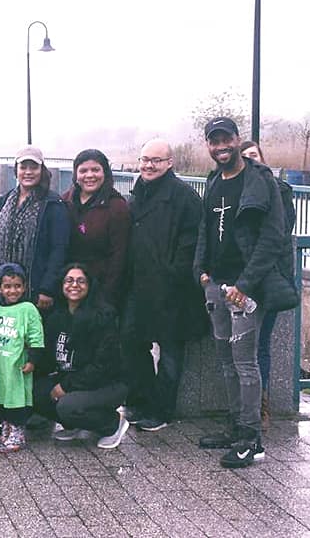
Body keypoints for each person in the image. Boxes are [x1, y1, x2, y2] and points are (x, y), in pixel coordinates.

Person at [194, 117, 297, 468]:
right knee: (226, 361)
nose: (221, 146)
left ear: (238, 140)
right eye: (214, 141)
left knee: (245, 362)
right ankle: (235, 426)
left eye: (226, 140)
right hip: (217, 284)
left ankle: (251, 438)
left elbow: (273, 239)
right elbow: (205, 229)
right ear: (208, 146)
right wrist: (202, 272)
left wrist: (245, 285)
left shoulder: (260, 181)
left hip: (246, 288)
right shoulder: (212, 181)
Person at [122, 139, 207, 432]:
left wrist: (171, 275)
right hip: (138, 286)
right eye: (145, 159)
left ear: (170, 163)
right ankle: (142, 400)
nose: (148, 165)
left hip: (172, 290)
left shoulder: (184, 197)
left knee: (170, 352)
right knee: (132, 342)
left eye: (156, 160)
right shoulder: (137, 194)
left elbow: (191, 245)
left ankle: (162, 410)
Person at [35, 263, 130, 449]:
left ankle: (112, 424)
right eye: (69, 280)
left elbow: (102, 366)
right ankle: (75, 424)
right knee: (33, 392)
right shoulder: (57, 317)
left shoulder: (102, 317)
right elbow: (47, 359)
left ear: (89, 286)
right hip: (74, 380)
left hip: (107, 384)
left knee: (67, 406)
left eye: (81, 281)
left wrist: (66, 386)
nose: (74, 285)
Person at [239, 140, 297, 428]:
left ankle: (262, 408)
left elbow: (280, 233)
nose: (250, 161)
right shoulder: (234, 189)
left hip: (270, 279)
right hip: (242, 281)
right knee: (241, 346)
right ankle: (243, 408)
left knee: (261, 344)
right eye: (244, 157)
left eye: (254, 156)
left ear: (263, 159)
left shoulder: (281, 191)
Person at [0, 146, 70, 311]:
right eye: (23, 167)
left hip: (36, 289)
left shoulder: (53, 204)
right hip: (5, 289)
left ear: (42, 170)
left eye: (34, 167)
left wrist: (47, 288)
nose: (28, 172)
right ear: (16, 170)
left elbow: (59, 249)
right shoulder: (3, 201)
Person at [61, 149, 130, 307]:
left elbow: (119, 257)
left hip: (101, 290)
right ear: (75, 174)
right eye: (83, 170)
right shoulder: (65, 202)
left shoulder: (117, 207)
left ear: (105, 172)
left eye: (95, 170)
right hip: (69, 289)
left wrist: (107, 296)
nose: (89, 175)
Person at [0, 263, 44, 453]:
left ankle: (18, 432)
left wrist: (33, 360)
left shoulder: (28, 309)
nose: (13, 291)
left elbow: (36, 336)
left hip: (17, 366)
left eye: (17, 286)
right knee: (1, 399)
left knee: (16, 400)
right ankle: (6, 429)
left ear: (24, 287)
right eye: (8, 286)